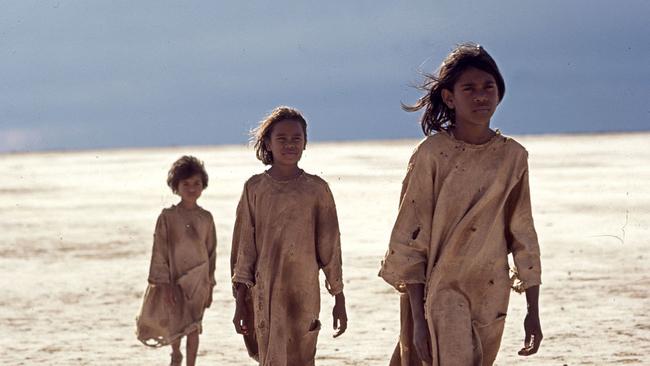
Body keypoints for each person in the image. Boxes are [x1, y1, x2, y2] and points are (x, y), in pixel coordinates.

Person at [379, 43, 543, 365]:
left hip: (491, 290)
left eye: (488, 87)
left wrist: (533, 311)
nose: (481, 96)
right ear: (450, 97)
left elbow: (523, 235)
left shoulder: (513, 157)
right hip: (440, 290)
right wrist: (417, 320)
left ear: (500, 93)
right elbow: (411, 242)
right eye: (469, 88)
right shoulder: (432, 155)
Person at [230, 106, 348, 365]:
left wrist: (338, 298)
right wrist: (240, 302)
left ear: (305, 143)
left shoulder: (317, 190)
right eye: (281, 139)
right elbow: (244, 250)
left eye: (296, 138)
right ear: (268, 144)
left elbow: (330, 249)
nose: (289, 144)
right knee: (271, 357)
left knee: (303, 357)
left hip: (304, 291)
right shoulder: (255, 188)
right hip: (265, 292)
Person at [136, 155, 217, 366]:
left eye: (196, 183)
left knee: (194, 325)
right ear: (176, 186)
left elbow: (211, 253)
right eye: (186, 184)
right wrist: (165, 284)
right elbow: (160, 250)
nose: (191, 188)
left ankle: (191, 363)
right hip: (175, 280)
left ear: (203, 185)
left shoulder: (206, 218)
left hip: (199, 281)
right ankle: (176, 354)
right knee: (176, 323)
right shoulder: (167, 217)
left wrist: (210, 283)